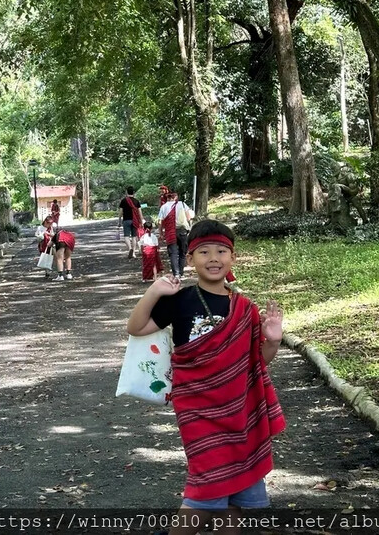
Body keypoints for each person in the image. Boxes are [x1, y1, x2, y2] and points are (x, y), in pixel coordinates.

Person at [126, 219, 285, 534]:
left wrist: (274, 340)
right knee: (207, 485)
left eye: (222, 251)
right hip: (198, 409)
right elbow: (136, 327)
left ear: (233, 258)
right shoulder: (180, 300)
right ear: (190, 259)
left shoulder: (244, 308)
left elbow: (256, 364)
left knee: (235, 493)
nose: (214, 258)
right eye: (204, 252)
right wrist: (154, 290)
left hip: (239, 410)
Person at [157, 191, 193, 278]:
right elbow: (189, 217)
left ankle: (176, 274)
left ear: (167, 198)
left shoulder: (164, 207)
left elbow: (160, 221)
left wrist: (161, 233)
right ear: (175, 197)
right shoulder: (182, 204)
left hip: (170, 232)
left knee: (173, 253)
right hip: (182, 231)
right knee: (182, 252)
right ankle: (181, 272)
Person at [118, 186, 143, 259]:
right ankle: (134, 253)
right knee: (134, 236)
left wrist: (119, 220)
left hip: (126, 220)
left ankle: (130, 249)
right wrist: (141, 222)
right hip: (135, 221)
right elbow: (140, 213)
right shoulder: (136, 201)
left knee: (126, 236)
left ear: (126, 192)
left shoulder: (123, 201)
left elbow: (120, 212)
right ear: (134, 192)